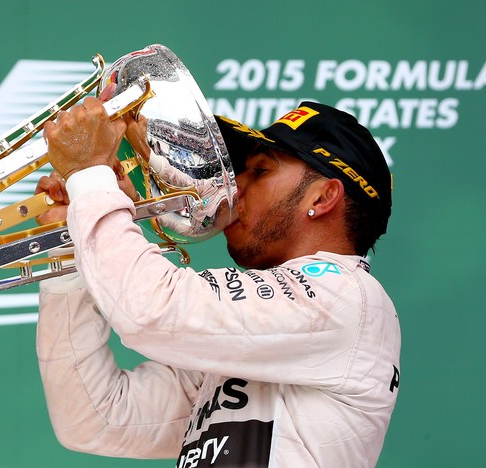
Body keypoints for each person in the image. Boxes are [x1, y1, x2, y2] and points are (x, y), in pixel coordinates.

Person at [35, 99, 401, 467]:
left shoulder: (346, 297)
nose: (236, 186)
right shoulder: (273, 337)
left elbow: (151, 311)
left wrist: (93, 181)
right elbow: (96, 418)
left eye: (259, 171)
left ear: (322, 197)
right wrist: (74, 252)